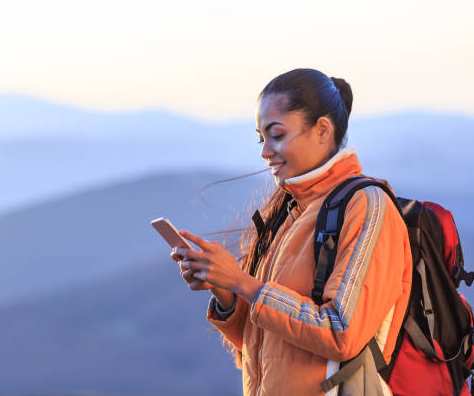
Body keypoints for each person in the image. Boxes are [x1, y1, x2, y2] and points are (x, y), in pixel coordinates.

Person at [170, 68, 413, 395]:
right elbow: (266, 343)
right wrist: (224, 289)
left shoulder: (366, 206)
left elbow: (343, 333)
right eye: (261, 137)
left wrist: (245, 283)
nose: (265, 151)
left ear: (322, 130)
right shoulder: (287, 211)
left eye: (277, 134)